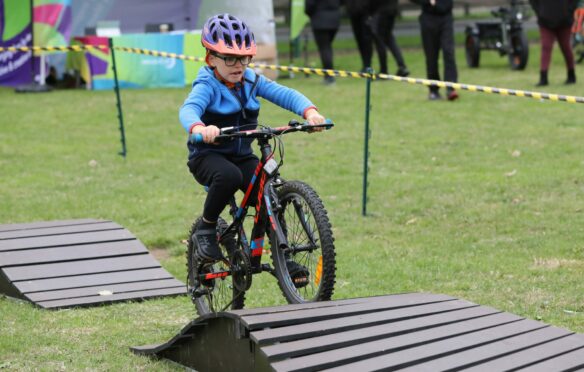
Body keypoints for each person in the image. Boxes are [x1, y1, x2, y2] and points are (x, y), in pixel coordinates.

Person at [179, 14, 327, 264]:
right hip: (208, 156)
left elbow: (285, 94)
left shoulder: (251, 80)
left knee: (268, 191)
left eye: (245, 58)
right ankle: (206, 227)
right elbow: (189, 109)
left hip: (242, 156)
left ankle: (283, 254)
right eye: (230, 58)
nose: (239, 65)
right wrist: (200, 127)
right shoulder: (207, 85)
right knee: (229, 176)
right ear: (211, 58)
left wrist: (310, 112)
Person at [410, 0, 459, 101]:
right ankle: (433, 90)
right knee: (431, 56)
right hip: (428, 19)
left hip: (446, 17)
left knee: (448, 52)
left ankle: (451, 88)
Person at [530, 0, 578, 86]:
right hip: (545, 21)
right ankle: (543, 78)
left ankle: (571, 75)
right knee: (546, 47)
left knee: (566, 47)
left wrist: (568, 12)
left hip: (564, 21)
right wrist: (540, 12)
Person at [369, 0, 410, 77]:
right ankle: (402, 66)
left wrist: (369, 12)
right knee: (389, 39)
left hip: (381, 11)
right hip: (391, 10)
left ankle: (384, 70)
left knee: (380, 41)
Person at [305, 0, 341, 85]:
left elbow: (309, 5)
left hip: (320, 19)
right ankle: (329, 74)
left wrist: (310, 14)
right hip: (334, 19)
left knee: (325, 48)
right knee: (327, 47)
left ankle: (329, 77)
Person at [344, 0, 375, 73]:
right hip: (354, 13)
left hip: (365, 14)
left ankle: (367, 64)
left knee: (366, 40)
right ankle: (365, 64)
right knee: (359, 40)